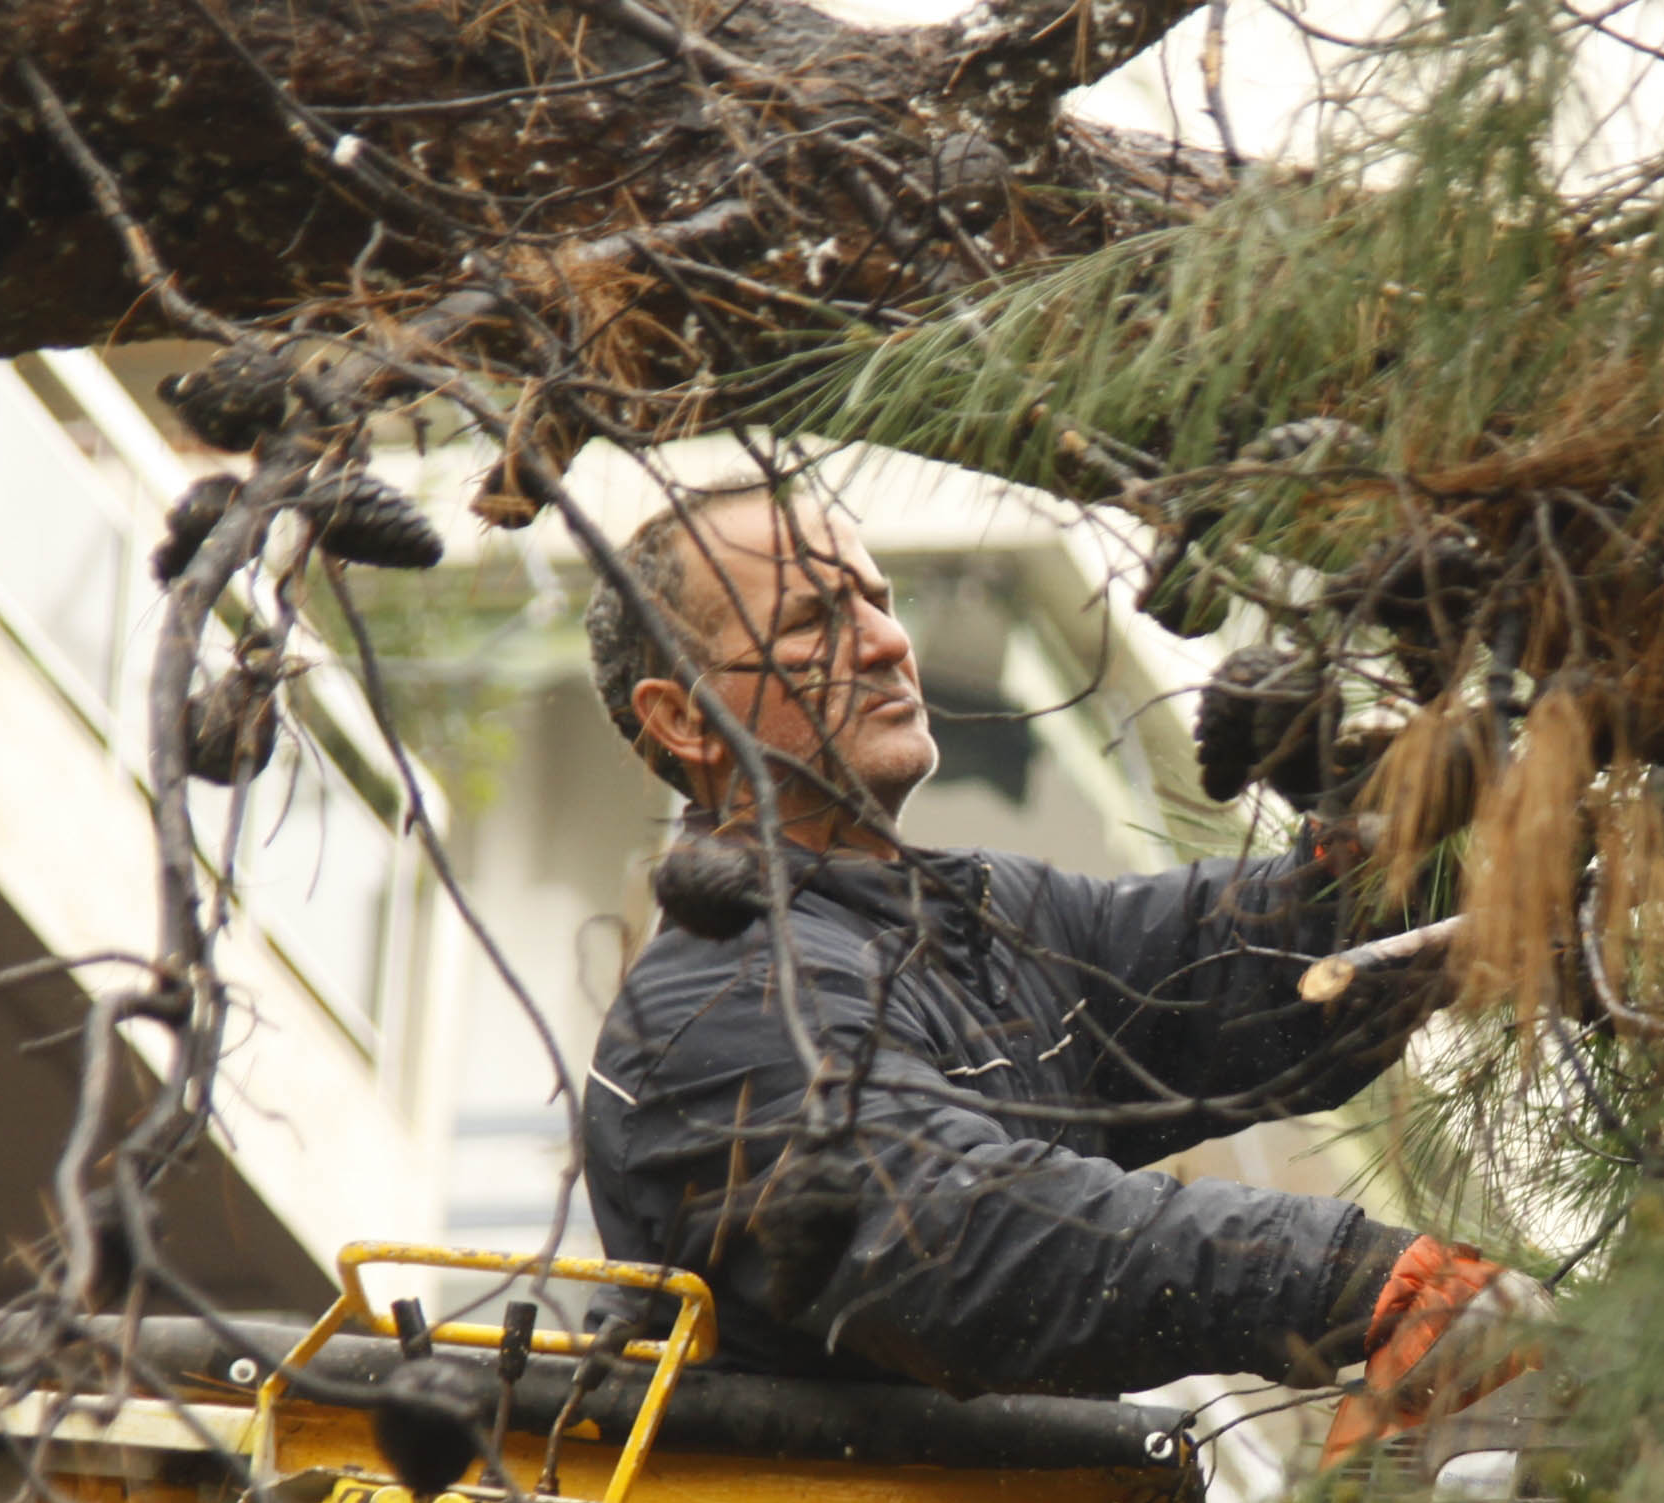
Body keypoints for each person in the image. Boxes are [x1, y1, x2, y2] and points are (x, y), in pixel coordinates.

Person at [575, 485, 1537, 1423]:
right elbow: (954, 1239)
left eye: (877, 598)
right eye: (812, 620)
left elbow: (1236, 965)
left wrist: (1413, 826)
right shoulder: (718, 1001)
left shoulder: (975, 918)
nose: (884, 642)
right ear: (684, 718)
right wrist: (1337, 1278)